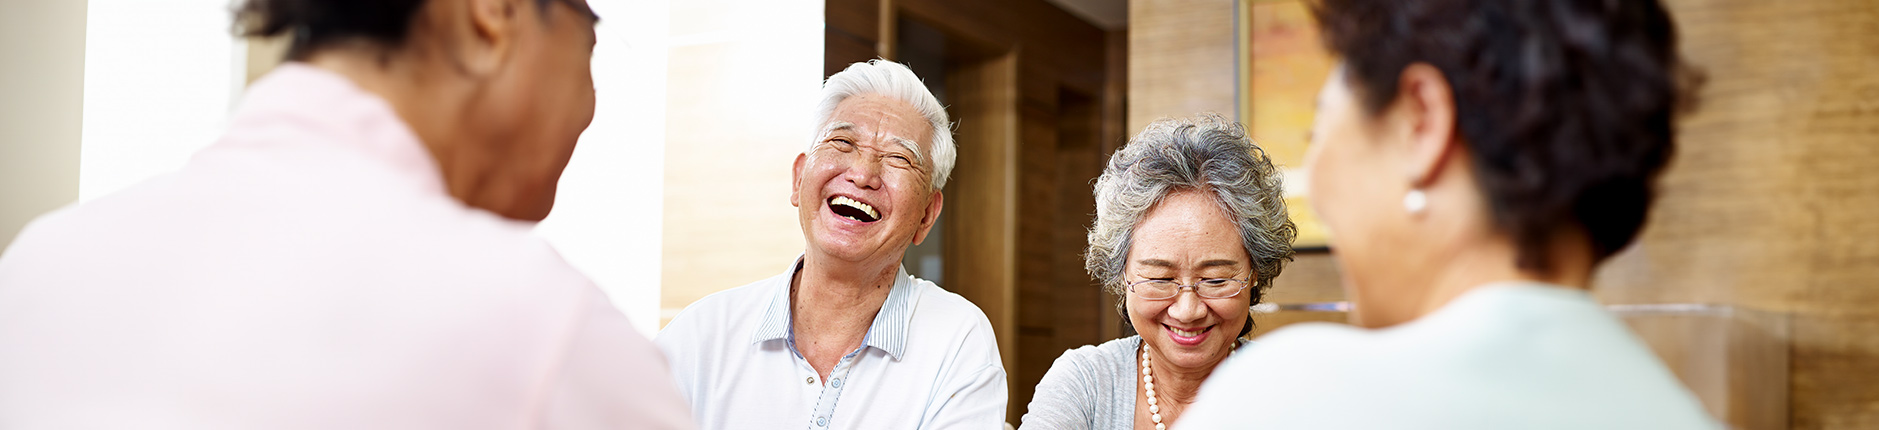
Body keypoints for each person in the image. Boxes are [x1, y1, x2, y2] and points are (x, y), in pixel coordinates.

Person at [0, 0, 695, 428]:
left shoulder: (37, 267)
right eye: (592, 41)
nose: (589, 104)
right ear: (494, 13)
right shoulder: (540, 323)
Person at [1175, 0, 1716, 428]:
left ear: (1421, 124)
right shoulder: (1686, 414)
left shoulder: (1288, 399)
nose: (1313, 184)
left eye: (1316, 134)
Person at [651, 59, 1005, 430]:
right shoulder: (702, 333)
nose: (863, 173)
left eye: (899, 158)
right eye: (843, 142)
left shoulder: (958, 341)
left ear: (926, 217)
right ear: (799, 177)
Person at [1019, 115, 1297, 430]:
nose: (1188, 310)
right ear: (1122, 273)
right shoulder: (1086, 384)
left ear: (1254, 273)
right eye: (1161, 279)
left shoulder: (1292, 391)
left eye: (1215, 280)